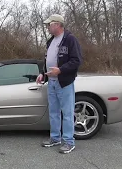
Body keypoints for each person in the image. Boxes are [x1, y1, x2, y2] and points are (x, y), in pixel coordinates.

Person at [36, 14, 82, 154]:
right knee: (53, 112)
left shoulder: (70, 39)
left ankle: (69, 142)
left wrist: (60, 70)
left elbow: (76, 61)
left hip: (64, 82)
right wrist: (43, 74)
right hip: (52, 82)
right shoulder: (51, 41)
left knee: (67, 113)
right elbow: (47, 61)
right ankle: (55, 138)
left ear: (57, 24)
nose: (47, 27)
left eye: (49, 24)